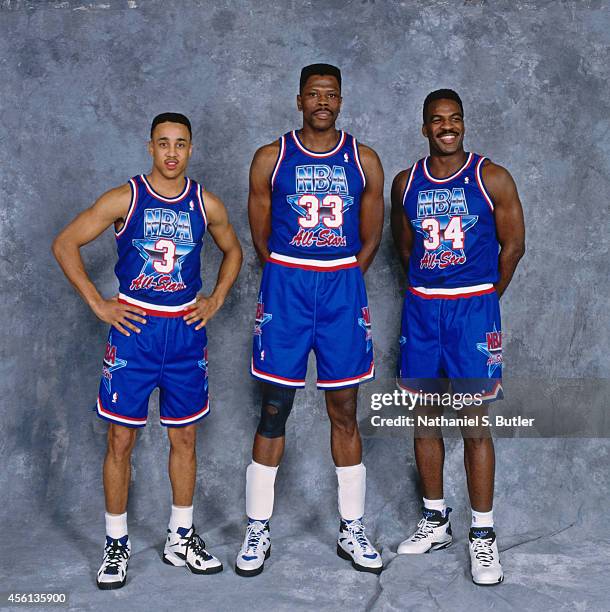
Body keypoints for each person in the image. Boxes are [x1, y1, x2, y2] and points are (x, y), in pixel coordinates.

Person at [52, 113, 242, 589]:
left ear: (192, 149)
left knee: (185, 440)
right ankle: (116, 543)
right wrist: (98, 303)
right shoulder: (126, 197)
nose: (172, 153)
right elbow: (65, 243)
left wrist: (215, 299)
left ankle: (181, 535)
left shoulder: (206, 203)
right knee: (120, 441)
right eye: (163, 144)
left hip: (184, 333)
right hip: (134, 332)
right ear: (150, 147)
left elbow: (234, 250)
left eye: (181, 144)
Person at [235, 64, 385, 576]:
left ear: (341, 101)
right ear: (299, 100)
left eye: (332, 94)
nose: (323, 101)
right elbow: (259, 236)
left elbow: (370, 239)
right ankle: (257, 529)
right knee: (274, 408)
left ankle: (352, 528)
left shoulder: (363, 159)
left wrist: (339, 273)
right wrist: (289, 271)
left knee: (344, 408)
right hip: (288, 287)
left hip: (341, 288)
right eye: (314, 94)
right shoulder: (270, 158)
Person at [390, 90, 525, 586]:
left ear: (463, 125)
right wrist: (433, 291)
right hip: (424, 310)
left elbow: (515, 245)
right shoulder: (406, 183)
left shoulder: (491, 177)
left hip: (473, 311)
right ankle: (435, 519)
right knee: (424, 416)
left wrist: (485, 297)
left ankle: (483, 536)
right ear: (424, 128)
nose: (447, 127)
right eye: (437, 121)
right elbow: (404, 248)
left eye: (454, 120)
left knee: (473, 421)